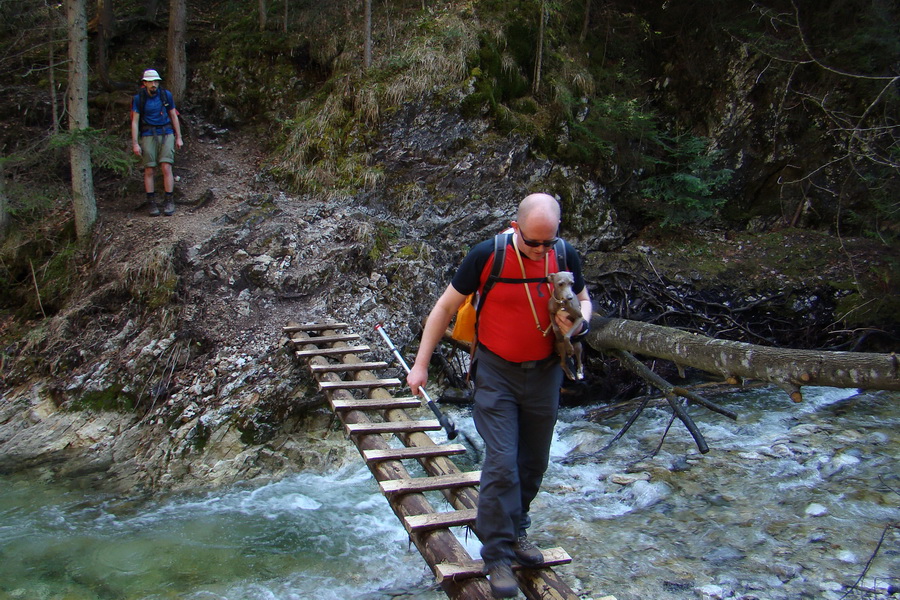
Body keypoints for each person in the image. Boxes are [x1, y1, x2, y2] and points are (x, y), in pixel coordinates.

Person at [407, 193, 592, 598]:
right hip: (496, 373)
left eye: (548, 241)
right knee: (503, 462)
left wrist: (579, 324)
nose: (541, 250)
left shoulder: (564, 255)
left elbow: (583, 300)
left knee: (534, 462)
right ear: (515, 227)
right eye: (532, 242)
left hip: (544, 374)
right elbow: (443, 309)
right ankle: (497, 557)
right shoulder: (487, 255)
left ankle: (517, 528)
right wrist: (421, 365)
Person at [131, 69, 183, 216]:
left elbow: (173, 115)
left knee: (166, 166)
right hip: (148, 134)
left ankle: (169, 200)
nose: (153, 84)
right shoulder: (139, 99)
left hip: (166, 132)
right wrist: (135, 143)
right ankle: (151, 202)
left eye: (155, 81)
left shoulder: (166, 95)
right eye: (150, 82)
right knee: (149, 169)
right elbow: (135, 122)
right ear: (144, 83)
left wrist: (178, 136)